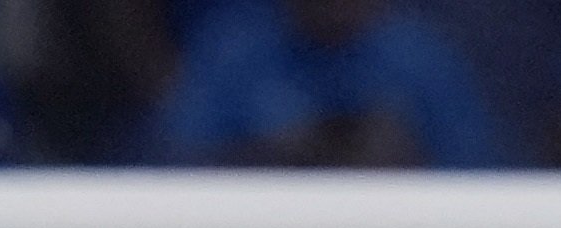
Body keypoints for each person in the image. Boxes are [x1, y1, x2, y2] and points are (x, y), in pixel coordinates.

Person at [148, 0, 503, 168]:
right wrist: (280, 154)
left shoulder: (418, 55)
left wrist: (405, 159)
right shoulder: (233, 48)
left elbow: (481, 175)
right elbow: (168, 162)